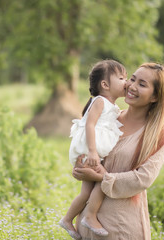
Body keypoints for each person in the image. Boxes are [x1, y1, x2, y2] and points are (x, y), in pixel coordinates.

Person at [72, 62, 164, 240]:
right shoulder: (108, 118)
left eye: (142, 84)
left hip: (121, 228)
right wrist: (80, 167)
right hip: (87, 229)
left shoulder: (156, 134)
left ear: (155, 97)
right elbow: (86, 150)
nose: (131, 86)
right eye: (131, 79)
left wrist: (103, 177)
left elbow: (143, 178)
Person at [59, 59, 127, 240]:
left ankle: (67, 219)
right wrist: (92, 152)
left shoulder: (112, 106)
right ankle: (90, 215)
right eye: (121, 78)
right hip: (88, 153)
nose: (126, 82)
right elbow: (90, 125)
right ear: (105, 84)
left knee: (86, 192)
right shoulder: (100, 102)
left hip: (91, 154)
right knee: (104, 181)